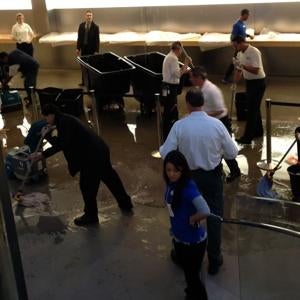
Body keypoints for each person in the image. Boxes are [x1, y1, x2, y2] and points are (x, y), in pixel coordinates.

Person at [160, 88, 238, 275]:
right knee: (213, 216)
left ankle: (183, 254)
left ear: (187, 104)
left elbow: (165, 153)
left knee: (185, 214)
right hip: (212, 177)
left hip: (187, 180)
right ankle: (214, 259)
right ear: (203, 103)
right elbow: (232, 153)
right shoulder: (217, 125)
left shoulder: (180, 126)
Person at [36, 104, 133, 226]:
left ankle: (90, 215)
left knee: (87, 186)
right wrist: (49, 135)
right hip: (99, 150)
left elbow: (62, 144)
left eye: (46, 118)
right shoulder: (65, 119)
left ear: (51, 115)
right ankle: (125, 203)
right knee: (110, 177)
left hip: (91, 156)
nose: (46, 121)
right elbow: (63, 141)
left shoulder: (64, 123)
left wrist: (43, 152)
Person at [163, 150, 209, 300]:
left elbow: (205, 210)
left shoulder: (188, 188)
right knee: (189, 274)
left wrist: (192, 219)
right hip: (180, 238)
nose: (172, 174)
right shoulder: (173, 184)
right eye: (169, 170)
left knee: (192, 277)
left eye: (176, 170)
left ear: (183, 169)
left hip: (192, 243)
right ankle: (191, 294)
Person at [189, 66, 241, 183]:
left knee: (224, 149)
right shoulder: (200, 88)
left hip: (220, 122)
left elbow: (220, 110)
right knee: (215, 148)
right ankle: (219, 169)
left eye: (192, 77)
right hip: (209, 121)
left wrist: (202, 114)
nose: (190, 79)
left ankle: (235, 172)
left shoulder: (212, 90)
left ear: (199, 78)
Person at [232, 36, 266, 144]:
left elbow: (256, 70)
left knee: (251, 110)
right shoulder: (239, 53)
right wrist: (235, 83)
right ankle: (258, 132)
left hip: (258, 82)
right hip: (249, 82)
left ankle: (247, 137)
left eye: (236, 45)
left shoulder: (254, 52)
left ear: (241, 42)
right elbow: (239, 71)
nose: (235, 48)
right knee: (254, 108)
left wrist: (242, 65)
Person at [161, 41, 191, 140]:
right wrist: (186, 63)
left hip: (168, 86)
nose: (181, 52)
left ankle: (171, 130)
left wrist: (185, 69)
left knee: (171, 109)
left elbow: (175, 72)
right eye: (181, 50)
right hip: (170, 87)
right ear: (177, 49)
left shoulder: (170, 57)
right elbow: (178, 74)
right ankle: (168, 133)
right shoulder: (173, 58)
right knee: (170, 109)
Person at [222, 9, 253, 84]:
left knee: (239, 61)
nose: (248, 17)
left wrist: (248, 35)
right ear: (244, 14)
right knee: (234, 62)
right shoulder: (236, 24)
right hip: (239, 47)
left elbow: (242, 33)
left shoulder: (243, 24)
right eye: (248, 15)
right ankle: (225, 78)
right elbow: (233, 37)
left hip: (242, 46)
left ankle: (246, 76)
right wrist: (236, 47)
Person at [76, 10, 100, 86]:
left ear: (92, 17)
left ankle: (92, 83)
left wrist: (96, 50)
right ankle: (84, 82)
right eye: (87, 15)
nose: (89, 17)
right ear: (85, 16)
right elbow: (79, 38)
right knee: (83, 66)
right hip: (84, 49)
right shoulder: (81, 26)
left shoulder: (95, 27)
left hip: (92, 50)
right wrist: (78, 48)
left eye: (90, 15)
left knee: (91, 67)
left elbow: (97, 40)